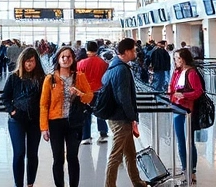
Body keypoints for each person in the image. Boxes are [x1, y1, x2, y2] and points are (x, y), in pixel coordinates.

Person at [40, 46, 93, 187]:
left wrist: (79, 94)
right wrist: (44, 127)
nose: (66, 59)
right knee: (58, 158)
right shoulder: (50, 79)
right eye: (63, 56)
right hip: (55, 122)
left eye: (69, 56)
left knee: (72, 157)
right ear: (58, 58)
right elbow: (44, 104)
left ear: (73, 59)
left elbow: (89, 97)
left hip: (74, 122)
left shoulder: (79, 76)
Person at [103, 38, 147, 187]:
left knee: (130, 153)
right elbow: (124, 97)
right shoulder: (121, 70)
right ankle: (109, 185)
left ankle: (136, 181)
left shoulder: (113, 67)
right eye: (133, 50)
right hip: (121, 118)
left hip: (117, 116)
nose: (135, 52)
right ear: (127, 51)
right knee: (116, 156)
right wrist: (132, 116)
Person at [2, 47, 45, 187]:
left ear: (36, 62)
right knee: (19, 152)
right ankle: (18, 183)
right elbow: (5, 97)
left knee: (32, 154)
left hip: (34, 120)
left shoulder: (42, 79)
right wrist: (12, 111)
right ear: (22, 62)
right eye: (27, 61)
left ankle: (30, 182)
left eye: (32, 61)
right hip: (17, 120)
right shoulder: (14, 77)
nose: (29, 64)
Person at [169, 48, 204, 184]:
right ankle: (185, 169)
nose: (176, 61)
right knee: (181, 141)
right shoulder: (177, 72)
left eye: (177, 58)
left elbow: (198, 91)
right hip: (177, 108)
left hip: (187, 110)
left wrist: (184, 95)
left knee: (188, 142)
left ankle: (192, 171)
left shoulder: (191, 73)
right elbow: (172, 87)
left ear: (183, 59)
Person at [77, 40, 109, 145]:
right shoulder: (103, 63)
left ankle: (86, 136)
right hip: (100, 91)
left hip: (86, 93)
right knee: (100, 112)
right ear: (97, 49)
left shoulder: (81, 64)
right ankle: (103, 133)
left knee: (86, 114)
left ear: (86, 50)